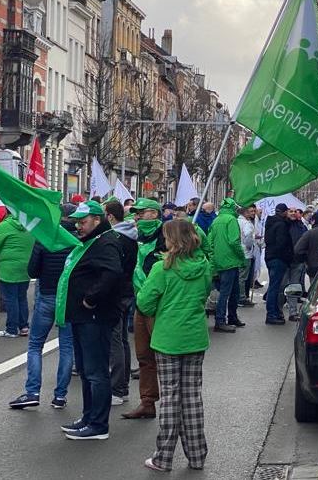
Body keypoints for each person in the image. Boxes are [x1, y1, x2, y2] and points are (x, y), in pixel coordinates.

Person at [138, 220, 212, 472]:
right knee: (192, 397)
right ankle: (197, 455)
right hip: (194, 337)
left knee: (170, 397)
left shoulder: (161, 268)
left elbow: (145, 303)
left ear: (172, 240)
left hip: (168, 338)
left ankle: (163, 457)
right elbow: (204, 295)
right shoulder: (204, 267)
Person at [58, 201, 127, 440]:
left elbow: (112, 273)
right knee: (88, 371)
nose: (79, 226)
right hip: (82, 316)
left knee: (96, 372)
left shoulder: (106, 241)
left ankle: (98, 424)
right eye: (77, 221)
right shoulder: (93, 241)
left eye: (83, 222)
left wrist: (90, 299)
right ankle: (88, 417)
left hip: (95, 317)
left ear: (97, 220)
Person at [9, 209, 77, 410]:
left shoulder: (45, 240)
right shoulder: (77, 243)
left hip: (47, 295)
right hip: (67, 299)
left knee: (35, 345)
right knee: (66, 348)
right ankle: (60, 396)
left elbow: (32, 270)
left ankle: (32, 392)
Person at [122, 199, 171, 420]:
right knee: (143, 356)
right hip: (141, 303)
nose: (138, 217)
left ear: (154, 214)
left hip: (161, 306)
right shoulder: (134, 237)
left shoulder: (168, 237)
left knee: (165, 358)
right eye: (136, 214)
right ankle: (147, 401)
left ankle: (171, 405)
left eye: (142, 213)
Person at [104, 200, 138, 406]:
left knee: (115, 341)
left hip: (117, 294)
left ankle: (117, 388)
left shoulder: (115, 238)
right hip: (127, 291)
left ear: (110, 217)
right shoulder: (130, 236)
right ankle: (122, 386)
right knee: (123, 340)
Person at [0, 208, 35, 338]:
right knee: (21, 297)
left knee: (10, 299)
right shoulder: (30, 225)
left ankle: (11, 329)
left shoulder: (4, 226)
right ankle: (24, 327)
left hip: (7, 268)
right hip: (25, 267)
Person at [208, 198, 247, 331]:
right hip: (230, 261)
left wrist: (213, 261)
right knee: (226, 293)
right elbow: (234, 242)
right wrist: (242, 257)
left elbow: (210, 243)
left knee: (232, 291)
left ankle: (232, 317)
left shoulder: (216, 220)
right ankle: (221, 320)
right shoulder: (231, 220)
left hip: (220, 261)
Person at [263, 203, 293, 325]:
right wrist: (288, 257)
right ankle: (271, 314)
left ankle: (274, 312)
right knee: (274, 288)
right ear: (284, 212)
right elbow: (282, 244)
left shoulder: (271, 223)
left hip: (270, 257)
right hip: (278, 258)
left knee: (273, 286)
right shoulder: (281, 225)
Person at [295, 210, 318, 281]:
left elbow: (298, 250)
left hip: (313, 268)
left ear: (313, 221)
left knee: (316, 289)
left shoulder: (309, 233)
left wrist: (306, 259)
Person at [238, 205, 257, 307]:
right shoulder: (247, 223)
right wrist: (251, 248)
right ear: (245, 213)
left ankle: (239, 297)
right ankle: (241, 297)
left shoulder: (237, 221)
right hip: (246, 253)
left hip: (238, 252)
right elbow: (248, 239)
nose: (253, 213)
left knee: (239, 276)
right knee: (243, 277)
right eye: (251, 211)